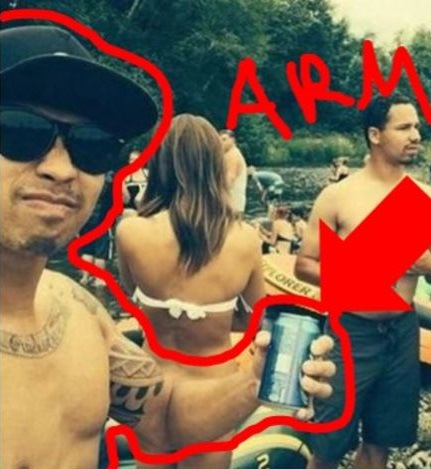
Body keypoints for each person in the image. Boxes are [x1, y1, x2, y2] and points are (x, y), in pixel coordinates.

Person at [0, 24, 335, 469]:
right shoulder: (242, 240)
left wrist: (255, 381)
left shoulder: (81, 314)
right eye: (18, 130)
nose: (61, 169)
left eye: (92, 144)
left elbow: (164, 421)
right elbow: (253, 311)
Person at [295, 93, 431, 469]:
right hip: (351, 330)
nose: (416, 135)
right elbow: (304, 265)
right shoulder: (338, 196)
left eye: (417, 127)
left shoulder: (428, 198)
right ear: (375, 135)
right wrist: (365, 272)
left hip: (402, 329)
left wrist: (425, 265)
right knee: (328, 445)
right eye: (404, 127)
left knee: (382, 441)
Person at [115, 114, 270, 469]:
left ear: (159, 163)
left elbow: (131, 292)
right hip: (212, 388)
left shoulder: (130, 231)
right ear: (214, 165)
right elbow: (256, 320)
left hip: (150, 385)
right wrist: (217, 315)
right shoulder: (244, 240)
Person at [78, 170, 114, 287]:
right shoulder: (109, 179)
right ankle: (99, 279)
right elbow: (122, 197)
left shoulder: (85, 178)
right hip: (102, 220)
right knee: (101, 252)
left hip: (86, 218)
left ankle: (85, 278)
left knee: (87, 250)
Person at [220, 129, 248, 217]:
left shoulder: (233, 155)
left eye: (224, 139)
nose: (221, 143)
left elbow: (229, 179)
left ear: (233, 140)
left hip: (232, 203)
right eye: (219, 140)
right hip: (233, 203)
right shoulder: (229, 155)